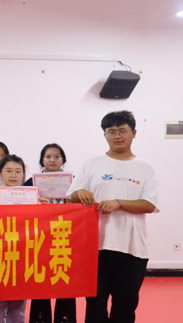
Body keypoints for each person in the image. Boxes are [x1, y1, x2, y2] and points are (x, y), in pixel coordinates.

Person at [67, 111, 159, 323]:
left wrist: (119, 203)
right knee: (95, 306)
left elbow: (149, 204)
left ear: (134, 133)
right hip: (95, 247)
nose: (117, 136)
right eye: (111, 131)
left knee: (125, 307)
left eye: (122, 130)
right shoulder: (92, 164)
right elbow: (70, 197)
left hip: (133, 248)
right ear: (105, 135)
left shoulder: (146, 168)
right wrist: (79, 193)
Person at [0, 155, 48, 323]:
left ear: (24, 174)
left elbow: (41, 226)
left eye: (18, 171)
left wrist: (46, 209)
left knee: (18, 301)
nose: (13, 175)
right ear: (0, 172)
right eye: (8, 171)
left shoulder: (32, 197)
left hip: (22, 255)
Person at [25, 143, 76, 323]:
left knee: (65, 278)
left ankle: (65, 318)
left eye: (56, 156)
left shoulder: (74, 182)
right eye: (48, 157)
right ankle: (40, 318)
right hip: (40, 238)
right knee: (40, 279)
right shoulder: (31, 182)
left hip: (66, 237)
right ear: (42, 160)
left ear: (63, 160)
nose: (52, 160)